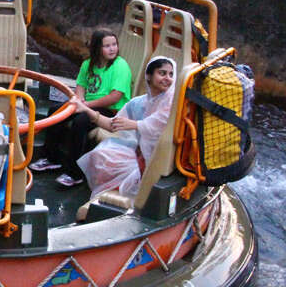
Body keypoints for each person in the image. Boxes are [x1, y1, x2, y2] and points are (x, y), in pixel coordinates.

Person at [30, 30, 132, 188]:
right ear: (97, 48)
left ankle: (75, 174)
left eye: (114, 45)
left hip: (110, 110)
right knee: (55, 111)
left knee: (80, 122)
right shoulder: (87, 64)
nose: (112, 49)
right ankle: (51, 159)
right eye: (107, 46)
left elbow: (115, 97)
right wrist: (79, 101)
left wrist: (85, 106)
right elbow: (80, 88)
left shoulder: (121, 66)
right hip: (87, 105)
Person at [76, 56, 176, 200]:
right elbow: (112, 125)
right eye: (162, 73)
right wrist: (85, 109)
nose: (168, 78)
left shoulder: (171, 103)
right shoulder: (137, 103)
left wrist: (136, 125)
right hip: (140, 152)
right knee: (101, 155)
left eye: (171, 74)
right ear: (148, 76)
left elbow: (158, 124)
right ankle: (104, 197)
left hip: (159, 158)